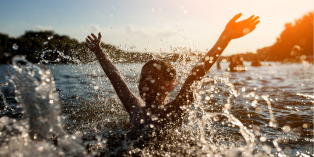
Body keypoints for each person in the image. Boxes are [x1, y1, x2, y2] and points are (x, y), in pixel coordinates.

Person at [85, 13, 259, 144]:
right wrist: (99, 52)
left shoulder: (174, 111)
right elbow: (115, 77)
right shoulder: (134, 107)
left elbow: (196, 74)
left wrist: (225, 37)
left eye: (153, 77)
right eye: (142, 77)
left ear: (170, 87)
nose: (144, 82)